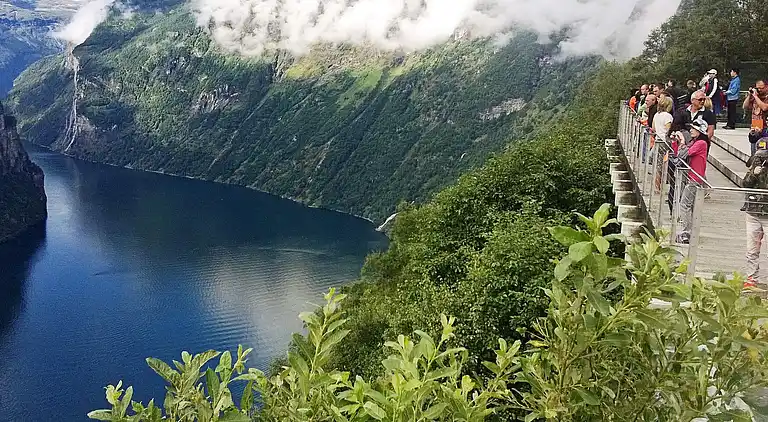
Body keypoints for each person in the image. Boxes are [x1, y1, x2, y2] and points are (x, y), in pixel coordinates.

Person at [672, 118, 709, 244]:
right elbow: (679, 153)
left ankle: (686, 232)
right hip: (692, 177)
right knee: (689, 205)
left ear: (700, 131)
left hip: (695, 178)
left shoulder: (701, 143)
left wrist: (682, 141)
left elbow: (684, 154)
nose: (691, 130)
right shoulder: (695, 142)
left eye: (694, 128)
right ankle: (689, 231)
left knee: (685, 205)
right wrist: (676, 142)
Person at [742, 137, 768, 287]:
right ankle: (751, 278)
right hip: (753, 211)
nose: (761, 158)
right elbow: (745, 183)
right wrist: (754, 173)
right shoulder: (755, 163)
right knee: (752, 249)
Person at [744, 79, 768, 155]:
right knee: (753, 151)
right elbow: (745, 106)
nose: (759, 90)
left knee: (762, 151)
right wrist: (749, 95)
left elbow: (764, 107)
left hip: (765, 128)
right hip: (755, 127)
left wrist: (755, 96)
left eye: (761, 88)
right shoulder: (755, 96)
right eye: (758, 88)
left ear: (767, 87)